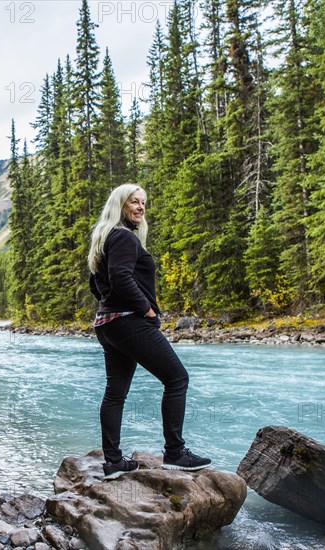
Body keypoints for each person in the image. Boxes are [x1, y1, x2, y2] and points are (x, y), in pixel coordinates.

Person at [88, 183, 212, 480]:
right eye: (134, 202)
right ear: (120, 204)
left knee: (115, 393)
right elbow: (120, 277)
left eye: (143, 202)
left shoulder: (107, 238)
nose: (141, 207)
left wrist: (111, 304)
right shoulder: (123, 237)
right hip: (130, 322)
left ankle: (114, 462)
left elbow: (97, 284)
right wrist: (147, 310)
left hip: (108, 324)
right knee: (177, 378)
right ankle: (175, 453)